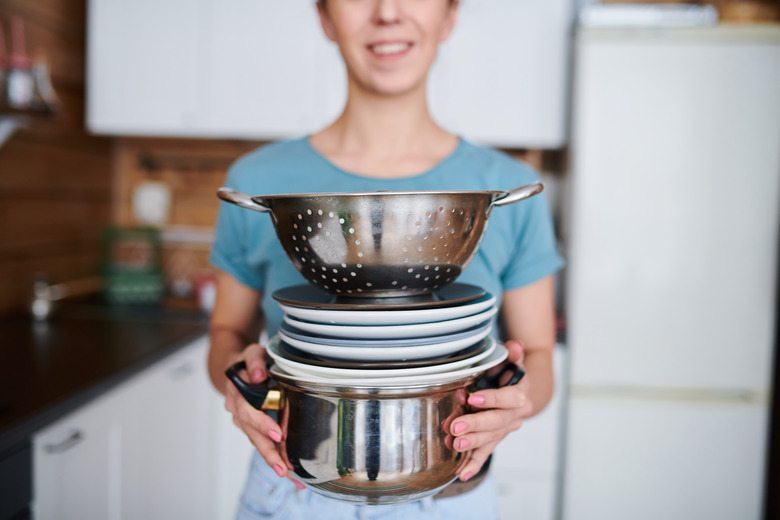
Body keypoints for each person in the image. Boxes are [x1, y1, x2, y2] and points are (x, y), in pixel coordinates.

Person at [207, 1, 563, 518]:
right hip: (294, 487)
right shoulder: (258, 180)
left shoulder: (502, 186)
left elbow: (541, 357)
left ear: (450, 15)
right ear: (325, 18)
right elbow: (225, 334)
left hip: (451, 491)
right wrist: (237, 379)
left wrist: (517, 399)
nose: (388, 12)